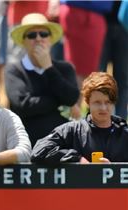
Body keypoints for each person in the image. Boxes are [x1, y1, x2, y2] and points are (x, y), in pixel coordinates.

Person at [5, 13, 80, 146]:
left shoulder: (65, 68)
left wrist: (48, 68)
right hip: (26, 142)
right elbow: (22, 105)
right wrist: (59, 101)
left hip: (62, 141)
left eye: (43, 34)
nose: (38, 38)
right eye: (32, 35)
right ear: (23, 41)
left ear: (50, 39)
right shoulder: (14, 70)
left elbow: (72, 98)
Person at [31, 72, 128, 164]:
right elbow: (38, 151)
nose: (103, 108)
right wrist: (77, 159)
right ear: (87, 102)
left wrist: (115, 170)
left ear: (114, 102)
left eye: (107, 102)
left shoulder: (124, 133)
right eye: (97, 102)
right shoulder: (72, 131)